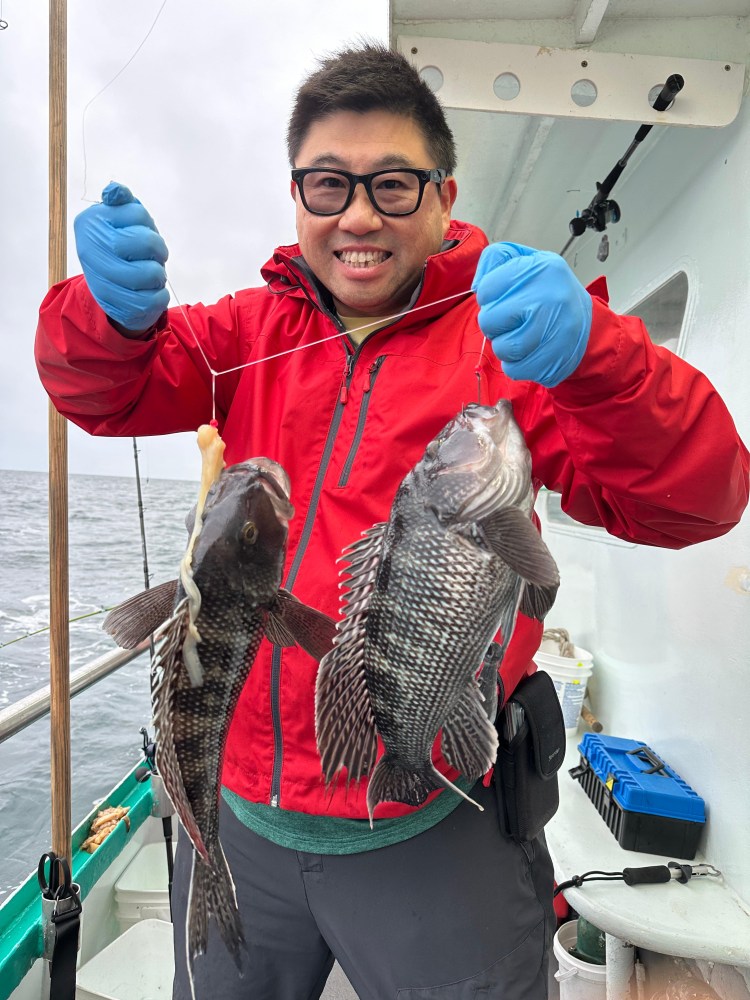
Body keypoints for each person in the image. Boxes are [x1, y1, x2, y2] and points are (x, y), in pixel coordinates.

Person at [36, 42, 748, 1000]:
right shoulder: (246, 331)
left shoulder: (517, 342)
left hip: (435, 817)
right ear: (297, 197)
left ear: (444, 196)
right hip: (240, 811)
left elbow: (692, 500)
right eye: (328, 184)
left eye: (394, 185)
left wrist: (598, 361)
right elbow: (103, 391)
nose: (359, 215)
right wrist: (106, 319)